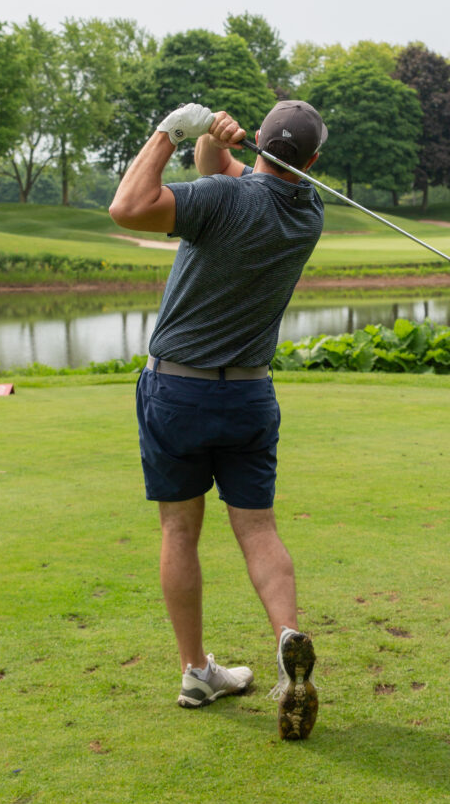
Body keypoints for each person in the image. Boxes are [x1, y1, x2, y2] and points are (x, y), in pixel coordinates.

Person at [108, 100, 325, 741]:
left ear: (261, 139)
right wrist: (213, 140)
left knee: (179, 530)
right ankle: (287, 637)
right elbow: (226, 172)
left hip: (176, 391)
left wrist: (173, 131)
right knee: (257, 530)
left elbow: (127, 208)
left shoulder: (220, 204)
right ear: (311, 162)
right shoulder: (308, 211)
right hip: (250, 398)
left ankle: (196, 671)